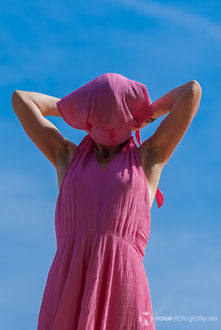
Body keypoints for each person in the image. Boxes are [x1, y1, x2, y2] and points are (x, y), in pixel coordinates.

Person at [11, 76, 202, 329]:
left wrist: (142, 115)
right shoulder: (66, 157)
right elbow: (21, 100)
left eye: (114, 114)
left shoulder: (148, 158)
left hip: (122, 283)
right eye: (100, 114)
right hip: (68, 282)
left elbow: (191, 91)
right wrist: (73, 108)